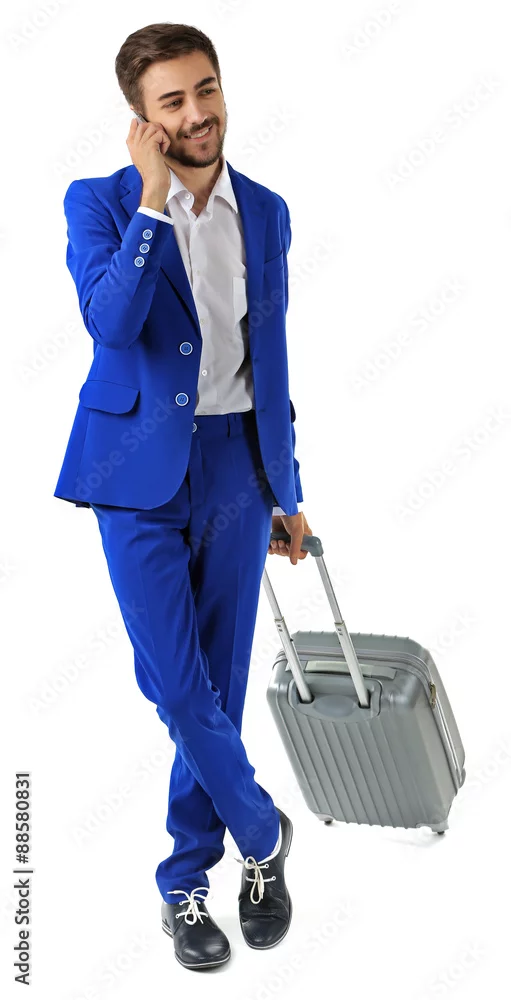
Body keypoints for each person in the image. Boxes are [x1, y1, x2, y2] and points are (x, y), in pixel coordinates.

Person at [53, 21, 312, 970]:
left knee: (219, 684)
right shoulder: (100, 202)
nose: (198, 112)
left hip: (237, 466)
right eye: (173, 100)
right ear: (141, 119)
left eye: (207, 89)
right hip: (133, 473)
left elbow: (269, 360)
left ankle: (186, 881)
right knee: (173, 681)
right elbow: (111, 323)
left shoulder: (266, 210)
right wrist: (153, 204)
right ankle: (262, 831)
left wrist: (286, 489)